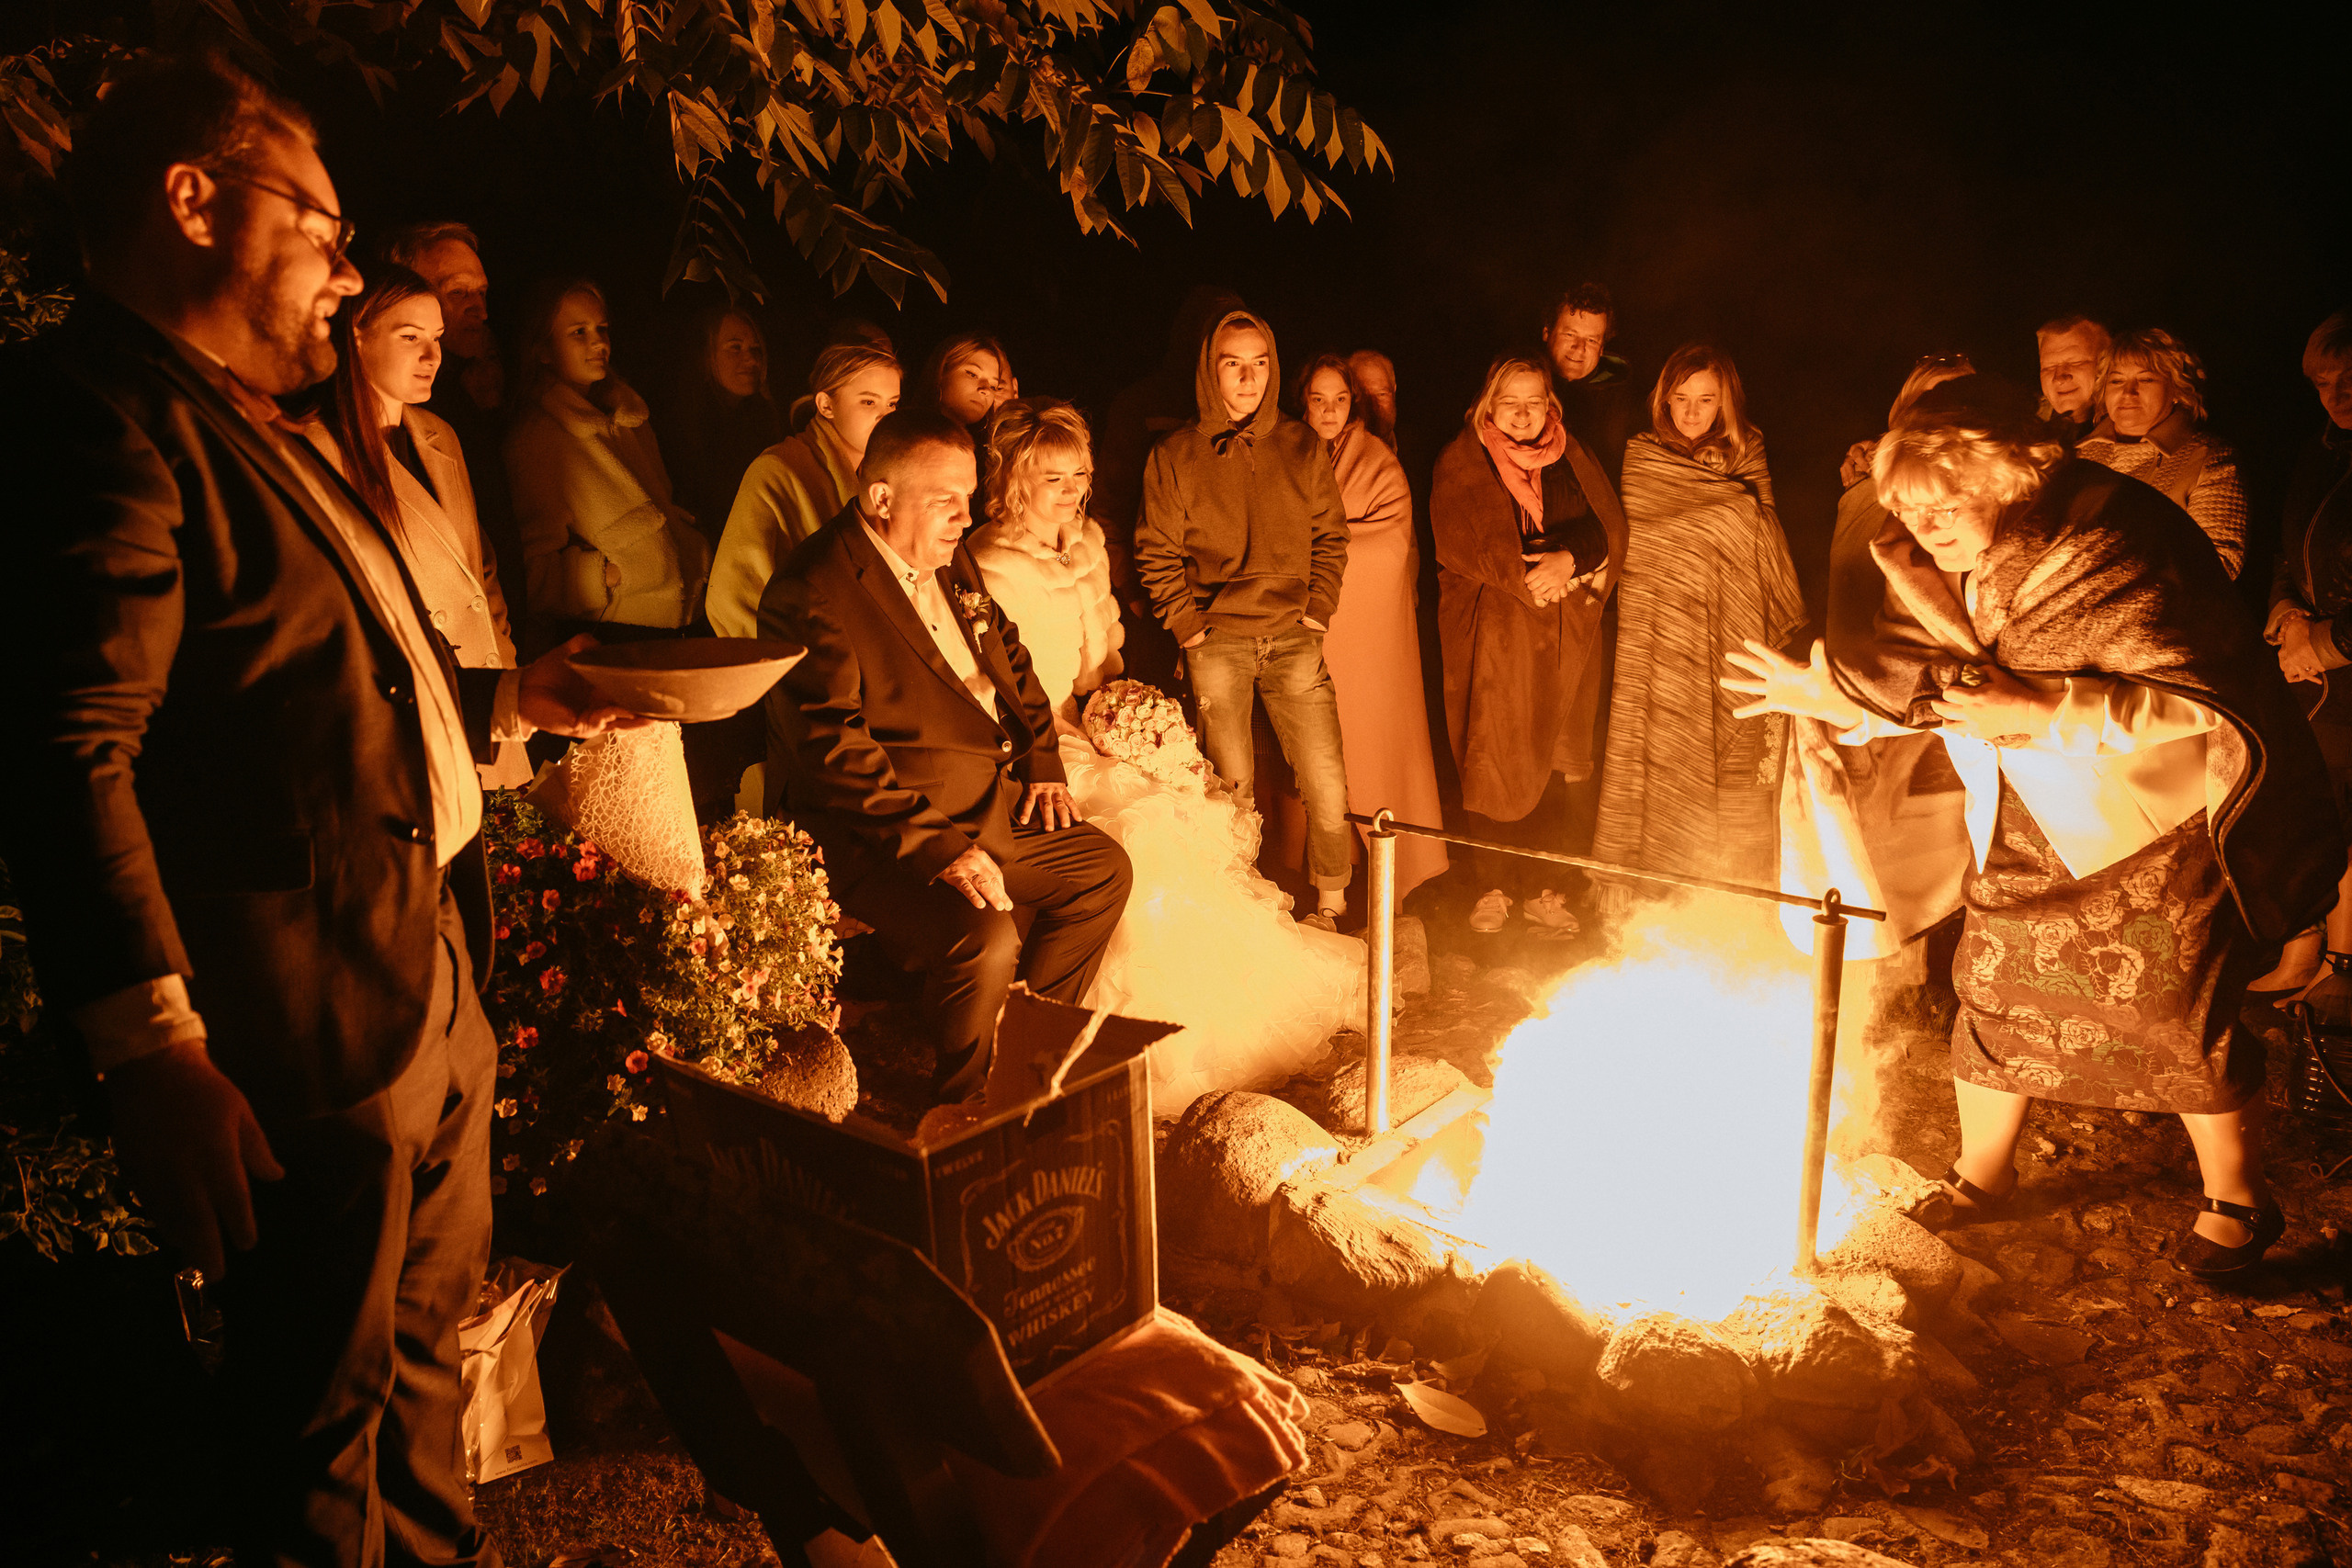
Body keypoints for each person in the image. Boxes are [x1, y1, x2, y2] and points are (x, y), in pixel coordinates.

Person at [0, 57, 642, 1566]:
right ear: (192, 199)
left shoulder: (249, 417)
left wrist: (508, 707)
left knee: (422, 1375)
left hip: (424, 977)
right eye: (325, 223)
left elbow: (304, 691)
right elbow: (68, 743)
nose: (349, 271)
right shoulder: (98, 415)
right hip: (306, 1027)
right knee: (322, 1420)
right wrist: (151, 1046)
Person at [1725, 375, 2339, 1280]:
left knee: (2176, 1012)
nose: (1926, 523)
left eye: (1946, 499)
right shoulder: (1929, 561)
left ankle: (2239, 1204)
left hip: (2151, 814)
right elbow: (1950, 691)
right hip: (2025, 803)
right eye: (1910, 505)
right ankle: (1981, 1174)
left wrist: (2043, 701)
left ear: (2007, 472)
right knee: (1994, 991)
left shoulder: (2106, 538)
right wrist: (1848, 701)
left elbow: (2190, 707)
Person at [968, 400, 1363, 1103]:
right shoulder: (992, 564)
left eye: (1079, 474)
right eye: (1052, 477)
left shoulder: (1086, 540)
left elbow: (1104, 661)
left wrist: (1134, 720)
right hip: (1040, 746)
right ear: (1014, 479)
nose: (1071, 490)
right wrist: (1075, 739)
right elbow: (997, 695)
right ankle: (1126, 1041)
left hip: (1096, 723)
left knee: (1188, 801)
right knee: (1145, 835)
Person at [760, 410, 1132, 1103]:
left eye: (968, 496)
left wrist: (1043, 760)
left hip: (986, 804)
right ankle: (964, 1106)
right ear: (881, 499)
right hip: (885, 835)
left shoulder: (947, 553)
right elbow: (832, 752)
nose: (966, 518)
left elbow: (1010, 657)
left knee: (1102, 871)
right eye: (946, 500)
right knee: (986, 938)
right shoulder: (812, 590)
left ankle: (1022, 1065)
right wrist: (942, 850)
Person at [1135, 309, 1354, 930]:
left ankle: (1332, 904)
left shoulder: (1301, 443)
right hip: (1218, 638)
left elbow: (1330, 536)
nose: (1248, 377)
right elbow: (1155, 548)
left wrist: (1317, 612)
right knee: (1232, 785)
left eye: (1260, 363)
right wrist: (1189, 626)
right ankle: (1243, 908)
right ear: (1211, 370)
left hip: (1293, 636)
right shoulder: (1176, 453)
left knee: (1326, 778)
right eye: (1234, 363)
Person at [300, 265, 532, 786]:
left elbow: (480, 572)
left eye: (437, 338)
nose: (433, 356)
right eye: (410, 337)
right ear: (356, 337)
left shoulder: (438, 435)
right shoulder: (319, 453)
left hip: (486, 700)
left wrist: (508, 674)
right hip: (412, 717)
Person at [1592, 343, 1804, 888]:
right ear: (1664, 399)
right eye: (1681, 398)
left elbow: (1764, 538)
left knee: (1732, 758)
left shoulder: (1748, 450)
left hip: (1730, 626)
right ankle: (1649, 888)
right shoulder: (1642, 454)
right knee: (1654, 745)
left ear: (1725, 403)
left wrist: (1729, 504)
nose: (1691, 413)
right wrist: (1729, 508)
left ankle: (1719, 891)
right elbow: (1640, 540)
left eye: (1706, 400)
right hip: (1658, 632)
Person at [1432, 352, 1623, 934]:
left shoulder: (1573, 455)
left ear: (1551, 404)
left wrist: (1569, 558)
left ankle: (1550, 889)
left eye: (1533, 402)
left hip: (1565, 634)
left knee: (1563, 756)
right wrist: (1526, 580)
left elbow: (1607, 526)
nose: (1521, 415)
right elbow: (1460, 539)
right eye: (1509, 403)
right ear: (1490, 405)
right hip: (1496, 635)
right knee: (1494, 752)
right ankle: (1492, 885)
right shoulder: (1464, 460)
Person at [1296, 353, 1449, 903]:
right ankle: (1322, 884)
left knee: (1371, 750)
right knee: (1315, 761)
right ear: (1303, 403)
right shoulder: (1286, 452)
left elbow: (1389, 540)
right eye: (1319, 400)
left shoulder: (1377, 460)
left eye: (1342, 400)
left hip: (1366, 636)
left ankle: (1386, 886)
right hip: (1299, 634)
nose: (1331, 411)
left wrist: (1310, 559)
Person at [505, 276, 707, 644]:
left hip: (682, 626)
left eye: (601, 328)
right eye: (578, 332)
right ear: (543, 349)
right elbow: (531, 575)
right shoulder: (540, 438)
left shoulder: (627, 418)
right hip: (614, 636)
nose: (598, 342)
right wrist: (611, 574)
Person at [2256, 310, 2352, 995]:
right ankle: (2313, 950)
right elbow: (2288, 548)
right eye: (2324, 381)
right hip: (2316, 672)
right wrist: (2287, 614)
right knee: (2316, 811)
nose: (2338, 394)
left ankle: (2343, 967)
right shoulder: (2320, 450)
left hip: (2343, 665)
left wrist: (2327, 642)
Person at [1098, 285, 1248, 688]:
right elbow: (1109, 503)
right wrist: (1131, 588)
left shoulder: (1249, 410)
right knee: (1158, 719)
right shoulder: (1141, 405)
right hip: (1155, 596)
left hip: (1235, 609)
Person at [707, 339, 900, 639]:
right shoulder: (778, 470)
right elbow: (732, 597)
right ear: (826, 405)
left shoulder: (885, 478)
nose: (885, 417)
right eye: (868, 402)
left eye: (892, 403)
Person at [382, 220, 521, 610]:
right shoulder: (397, 413)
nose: (479, 308)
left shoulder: (468, 401)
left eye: (481, 292)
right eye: (458, 291)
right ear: (401, 289)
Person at [2075, 326, 2247, 577]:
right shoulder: (2078, 458)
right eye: (2117, 380)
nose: (2127, 392)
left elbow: (2217, 564)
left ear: (2177, 389)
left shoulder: (2211, 460)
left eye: (2145, 379)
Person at [662, 301, 783, 551]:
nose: (750, 359)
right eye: (735, 348)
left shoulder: (764, 424)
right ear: (706, 356)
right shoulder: (684, 434)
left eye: (755, 349)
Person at [1544, 281, 1637, 485]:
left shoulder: (1618, 399)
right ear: (1547, 333)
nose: (1579, 348)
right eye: (1570, 335)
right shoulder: (1515, 386)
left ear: (1602, 349)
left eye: (1592, 341)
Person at [918, 329, 1015, 433]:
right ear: (942, 371)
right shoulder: (909, 439)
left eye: (993, 387)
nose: (985, 390)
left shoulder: (990, 447)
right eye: (972, 374)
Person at [2034, 313, 2109, 444]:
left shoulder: (2131, 433)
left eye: (2076, 363)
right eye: (2049, 367)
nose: (2059, 378)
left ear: (2106, 363)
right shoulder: (2020, 429)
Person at [1347, 349, 1399, 448]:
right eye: (1364, 395)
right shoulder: (1329, 454)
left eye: (1382, 394)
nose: (1374, 405)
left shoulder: (1417, 449)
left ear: (1394, 389)